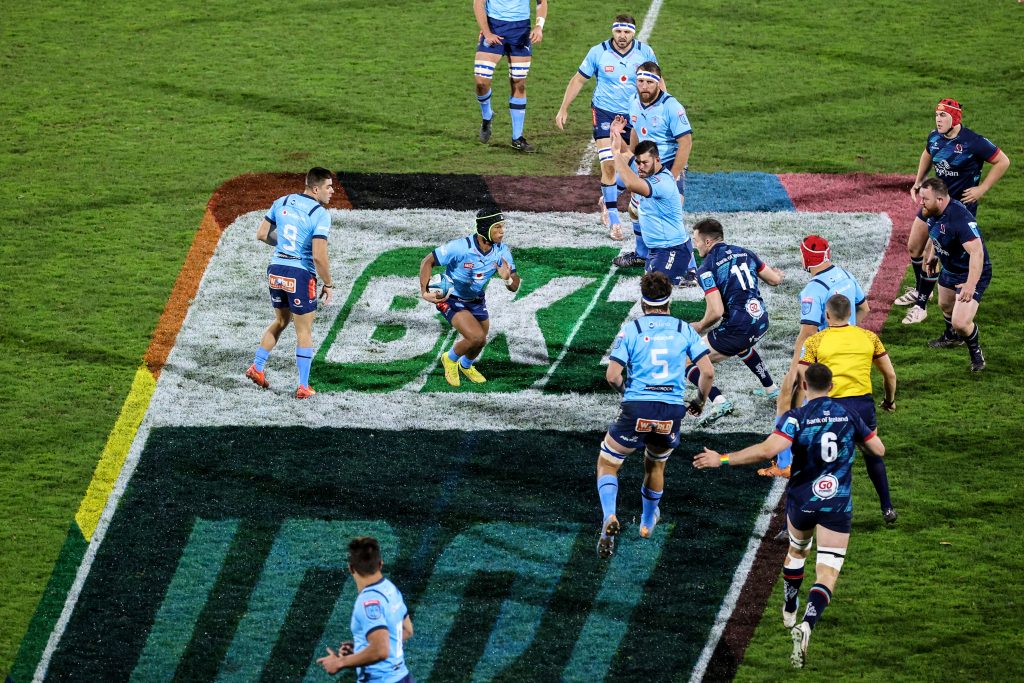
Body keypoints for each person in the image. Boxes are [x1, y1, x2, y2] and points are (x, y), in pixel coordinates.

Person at [693, 363, 886, 669]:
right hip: (836, 503)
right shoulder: (850, 414)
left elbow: (765, 450)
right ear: (832, 386)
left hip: (802, 502)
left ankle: (790, 605)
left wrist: (723, 459)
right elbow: (878, 449)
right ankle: (808, 623)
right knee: (827, 571)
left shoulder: (797, 417)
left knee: (797, 550)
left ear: (805, 387)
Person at [597, 272, 714, 559]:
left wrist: (626, 394)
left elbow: (612, 375)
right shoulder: (684, 329)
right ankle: (648, 522)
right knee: (655, 466)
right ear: (669, 300)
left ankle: (609, 517)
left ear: (642, 302)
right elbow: (708, 372)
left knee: (608, 463)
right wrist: (698, 400)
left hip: (637, 408)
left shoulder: (632, 329)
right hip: (670, 411)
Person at [896, 98, 1009, 325]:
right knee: (914, 246)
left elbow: (1003, 161)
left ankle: (921, 305)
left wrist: (982, 189)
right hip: (934, 203)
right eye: (937, 115)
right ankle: (921, 290)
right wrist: (918, 181)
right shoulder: (935, 137)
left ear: (955, 118)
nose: (938, 119)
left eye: (943, 115)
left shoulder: (973, 142)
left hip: (956, 211)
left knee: (932, 253)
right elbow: (928, 153)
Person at [766, 235, 868, 476]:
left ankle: (784, 464)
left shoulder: (814, 289)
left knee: (787, 400)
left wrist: (794, 369)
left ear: (807, 258)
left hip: (821, 357)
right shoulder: (845, 274)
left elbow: (808, 333)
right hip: (848, 356)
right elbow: (864, 308)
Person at [796, 294, 898, 524]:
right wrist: (889, 400)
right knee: (872, 455)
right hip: (862, 406)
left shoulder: (814, 342)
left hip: (830, 407)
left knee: (817, 462)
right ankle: (887, 508)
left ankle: (795, 522)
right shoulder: (869, 337)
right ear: (850, 314)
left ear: (827, 315)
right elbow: (889, 375)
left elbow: (801, 375)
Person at [554, 15, 658, 240]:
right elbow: (578, 80)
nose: (622, 36)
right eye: (618, 31)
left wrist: (660, 109)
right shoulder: (597, 52)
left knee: (635, 164)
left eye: (627, 32)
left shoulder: (645, 52)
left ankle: (607, 197)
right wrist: (563, 108)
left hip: (633, 113)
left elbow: (657, 82)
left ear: (634, 33)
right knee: (609, 164)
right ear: (613, 31)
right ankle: (614, 219)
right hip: (604, 112)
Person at [245, 167, 335, 399]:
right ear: (316, 189)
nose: (332, 191)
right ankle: (304, 386)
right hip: (300, 274)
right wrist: (329, 283)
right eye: (328, 187)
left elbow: (262, 234)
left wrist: (286, 248)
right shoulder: (320, 213)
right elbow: (318, 255)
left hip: (276, 269)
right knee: (304, 331)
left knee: (281, 320)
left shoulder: (282, 201)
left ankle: (257, 367)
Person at [687, 218, 786, 427]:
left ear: (707, 242)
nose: (694, 245)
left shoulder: (706, 268)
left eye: (695, 240)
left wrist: (700, 325)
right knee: (742, 345)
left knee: (686, 359)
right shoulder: (745, 252)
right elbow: (774, 280)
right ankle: (772, 390)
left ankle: (718, 401)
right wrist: (779, 274)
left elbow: (716, 311)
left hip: (738, 327)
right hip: (760, 320)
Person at [419, 209, 521, 387]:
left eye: (502, 227)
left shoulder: (502, 251)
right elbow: (427, 261)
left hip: (476, 299)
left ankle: (466, 365)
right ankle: (450, 359)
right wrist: (424, 291)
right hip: (451, 298)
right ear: (485, 229)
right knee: (476, 337)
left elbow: (514, 286)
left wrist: (507, 279)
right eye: (497, 227)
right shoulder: (461, 247)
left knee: (481, 340)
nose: (502, 231)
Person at [612, 62, 693, 269]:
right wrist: (632, 156)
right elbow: (636, 130)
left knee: (669, 217)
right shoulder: (633, 102)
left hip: (666, 166)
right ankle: (642, 254)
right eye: (640, 81)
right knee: (635, 211)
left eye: (649, 82)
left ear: (658, 83)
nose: (644, 86)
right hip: (645, 165)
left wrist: (672, 176)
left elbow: (686, 143)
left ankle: (689, 268)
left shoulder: (671, 107)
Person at [918, 178, 992, 372]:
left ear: (940, 199)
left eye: (925, 198)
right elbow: (937, 234)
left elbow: (977, 252)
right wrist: (934, 255)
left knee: (961, 322)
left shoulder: (959, 218)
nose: (921, 202)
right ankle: (952, 337)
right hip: (950, 268)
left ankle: (976, 355)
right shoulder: (933, 211)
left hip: (971, 272)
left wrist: (970, 284)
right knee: (945, 305)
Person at [317, 536, 414, 682]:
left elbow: (381, 650)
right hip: (403, 678)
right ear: (380, 564)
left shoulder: (368, 602)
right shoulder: (391, 589)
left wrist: (339, 662)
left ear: (351, 568)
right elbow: (407, 630)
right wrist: (363, 648)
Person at [608, 126, 695, 288]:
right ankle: (687, 269)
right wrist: (617, 138)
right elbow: (629, 159)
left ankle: (691, 271)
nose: (640, 167)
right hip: (657, 251)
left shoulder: (662, 182)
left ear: (657, 160)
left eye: (645, 163)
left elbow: (631, 183)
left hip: (672, 250)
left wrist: (615, 153)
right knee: (649, 283)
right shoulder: (648, 173)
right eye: (638, 163)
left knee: (654, 288)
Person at [473, 0, 548, 151]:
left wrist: (539, 26)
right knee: (481, 81)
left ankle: (517, 138)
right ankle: (487, 115)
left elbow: (541, 2)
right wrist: (486, 32)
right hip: (494, 27)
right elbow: (478, 3)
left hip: (520, 30)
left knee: (519, 82)